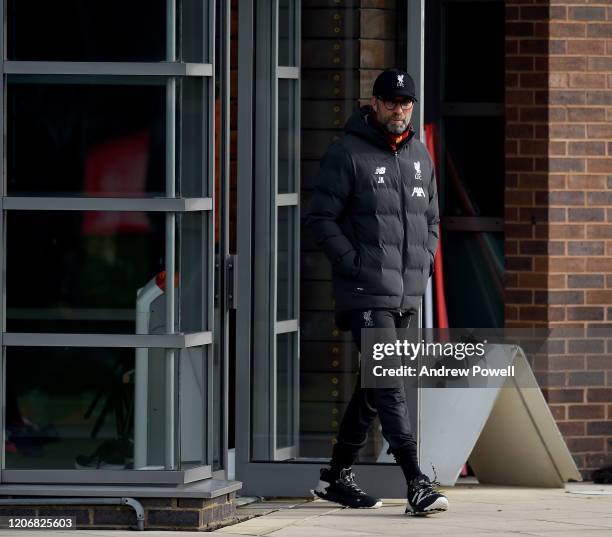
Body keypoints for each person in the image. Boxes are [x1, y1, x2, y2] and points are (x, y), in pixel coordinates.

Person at [305, 68, 448, 516]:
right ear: (374, 102)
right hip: (366, 291)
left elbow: (432, 221)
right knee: (388, 383)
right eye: (391, 103)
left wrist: (424, 263)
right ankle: (416, 481)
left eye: (406, 104)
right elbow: (321, 220)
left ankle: (336, 475)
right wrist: (356, 266)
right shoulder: (346, 153)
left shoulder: (421, 156)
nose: (399, 111)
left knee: (373, 386)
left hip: (405, 292)